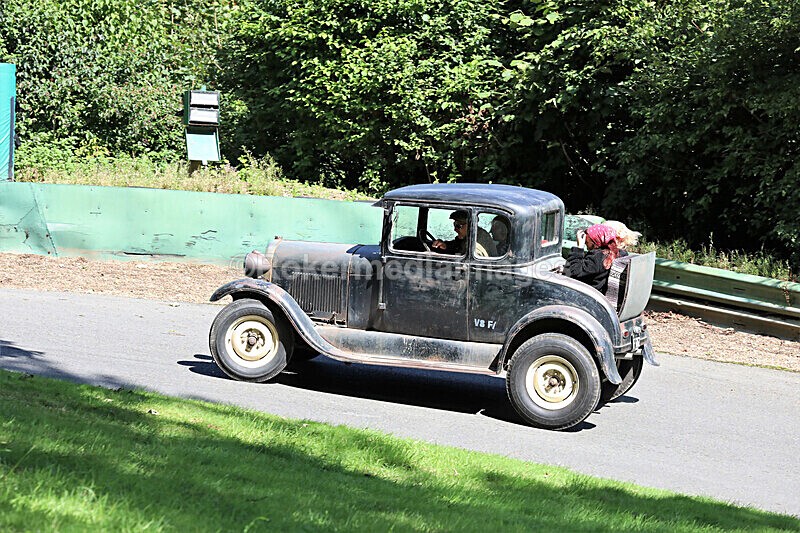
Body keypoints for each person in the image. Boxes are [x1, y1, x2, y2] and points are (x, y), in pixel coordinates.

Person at [564, 223, 619, 293]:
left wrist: (579, 247)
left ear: (595, 241)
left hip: (588, 293)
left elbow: (572, 273)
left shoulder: (597, 258)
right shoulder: (614, 253)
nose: (585, 242)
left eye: (587, 240)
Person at [432, 210, 496, 257]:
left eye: (458, 226)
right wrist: (445, 245)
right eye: (454, 224)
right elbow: (458, 244)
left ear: (470, 225)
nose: (455, 229)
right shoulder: (471, 235)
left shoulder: (476, 244)